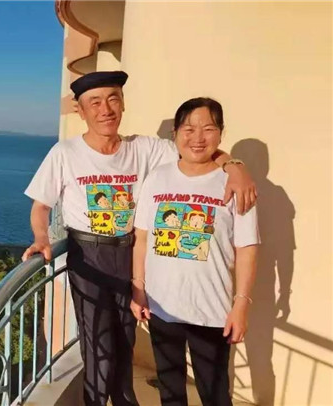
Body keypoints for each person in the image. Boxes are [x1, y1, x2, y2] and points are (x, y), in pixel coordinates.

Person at [22, 72, 257, 406]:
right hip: (88, 255)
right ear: (81, 110)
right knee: (99, 346)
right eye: (95, 102)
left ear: (123, 104)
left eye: (113, 99)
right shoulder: (65, 152)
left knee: (125, 341)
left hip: (130, 253)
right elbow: (41, 206)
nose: (106, 109)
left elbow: (197, 148)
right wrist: (41, 237)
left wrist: (235, 166)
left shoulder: (145, 148)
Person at [131, 97, 260, 406]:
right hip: (162, 307)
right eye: (188, 129)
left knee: (215, 394)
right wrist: (138, 288)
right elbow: (142, 239)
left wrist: (241, 305)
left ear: (221, 133)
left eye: (208, 129)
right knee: (170, 391)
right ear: (175, 133)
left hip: (211, 311)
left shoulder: (235, 184)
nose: (198, 138)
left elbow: (247, 248)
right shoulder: (157, 178)